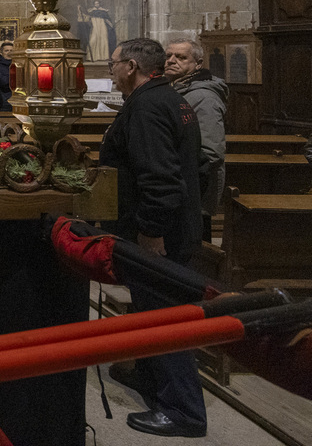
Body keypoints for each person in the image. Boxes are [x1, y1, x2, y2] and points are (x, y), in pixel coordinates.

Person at [100, 38, 206, 438]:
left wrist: (151, 231)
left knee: (165, 318)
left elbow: (160, 178)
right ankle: (149, 378)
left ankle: (184, 410)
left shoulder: (146, 106)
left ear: (130, 66)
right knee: (150, 310)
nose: (110, 70)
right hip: (175, 225)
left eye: (113, 64)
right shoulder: (166, 98)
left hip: (162, 233)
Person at [165, 38, 228, 240]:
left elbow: (211, 153)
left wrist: (183, 183)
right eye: (168, 56)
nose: (171, 61)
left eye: (181, 57)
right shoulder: (178, 89)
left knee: (197, 253)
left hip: (196, 192)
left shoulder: (204, 97)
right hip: (183, 187)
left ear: (198, 64)